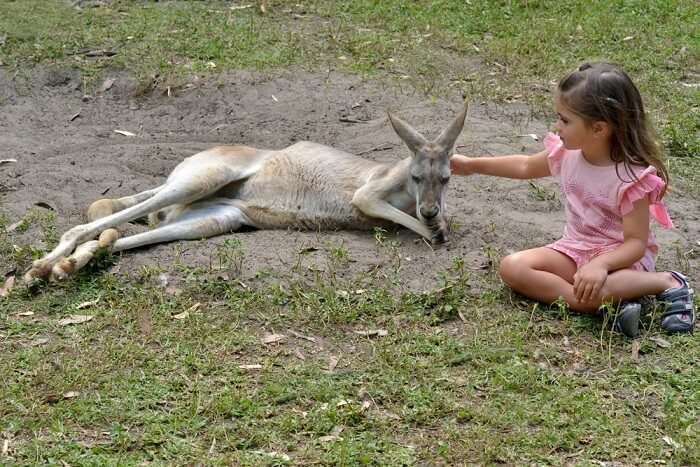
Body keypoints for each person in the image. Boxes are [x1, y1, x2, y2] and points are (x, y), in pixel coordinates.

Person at [450, 62, 695, 337]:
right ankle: (594, 302)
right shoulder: (565, 154)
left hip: (618, 260)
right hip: (574, 250)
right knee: (513, 266)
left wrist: (601, 264)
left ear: (599, 129)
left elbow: (636, 244)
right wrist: (471, 165)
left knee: (606, 284)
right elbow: (525, 166)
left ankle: (665, 282)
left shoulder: (630, 179)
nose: (557, 126)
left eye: (565, 120)